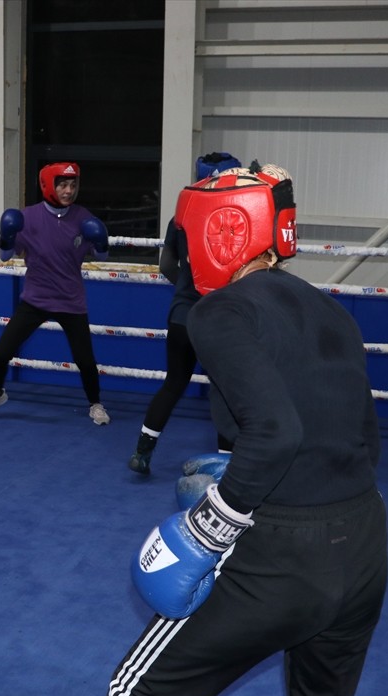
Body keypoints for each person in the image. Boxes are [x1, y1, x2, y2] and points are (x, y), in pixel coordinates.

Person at [79, 163, 388, 696]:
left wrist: (212, 523)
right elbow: (365, 443)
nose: (183, 254)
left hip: (278, 558)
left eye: (188, 237)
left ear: (219, 234)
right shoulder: (332, 311)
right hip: (362, 546)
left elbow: (276, 433)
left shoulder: (218, 313)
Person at [127, 153, 242, 474]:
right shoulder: (236, 218)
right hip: (218, 318)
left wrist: (189, 287)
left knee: (174, 382)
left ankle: (142, 453)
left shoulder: (181, 214)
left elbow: (166, 265)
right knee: (225, 390)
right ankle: (225, 467)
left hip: (181, 315)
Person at [0, 162, 112, 425]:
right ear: (49, 185)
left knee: (85, 360)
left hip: (70, 301)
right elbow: (4, 257)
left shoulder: (83, 218)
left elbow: (102, 255)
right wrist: (7, 237)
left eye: (73, 185)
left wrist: (102, 239)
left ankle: (96, 404)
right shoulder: (28, 217)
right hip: (35, 299)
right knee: (2, 353)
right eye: (62, 185)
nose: (68, 191)